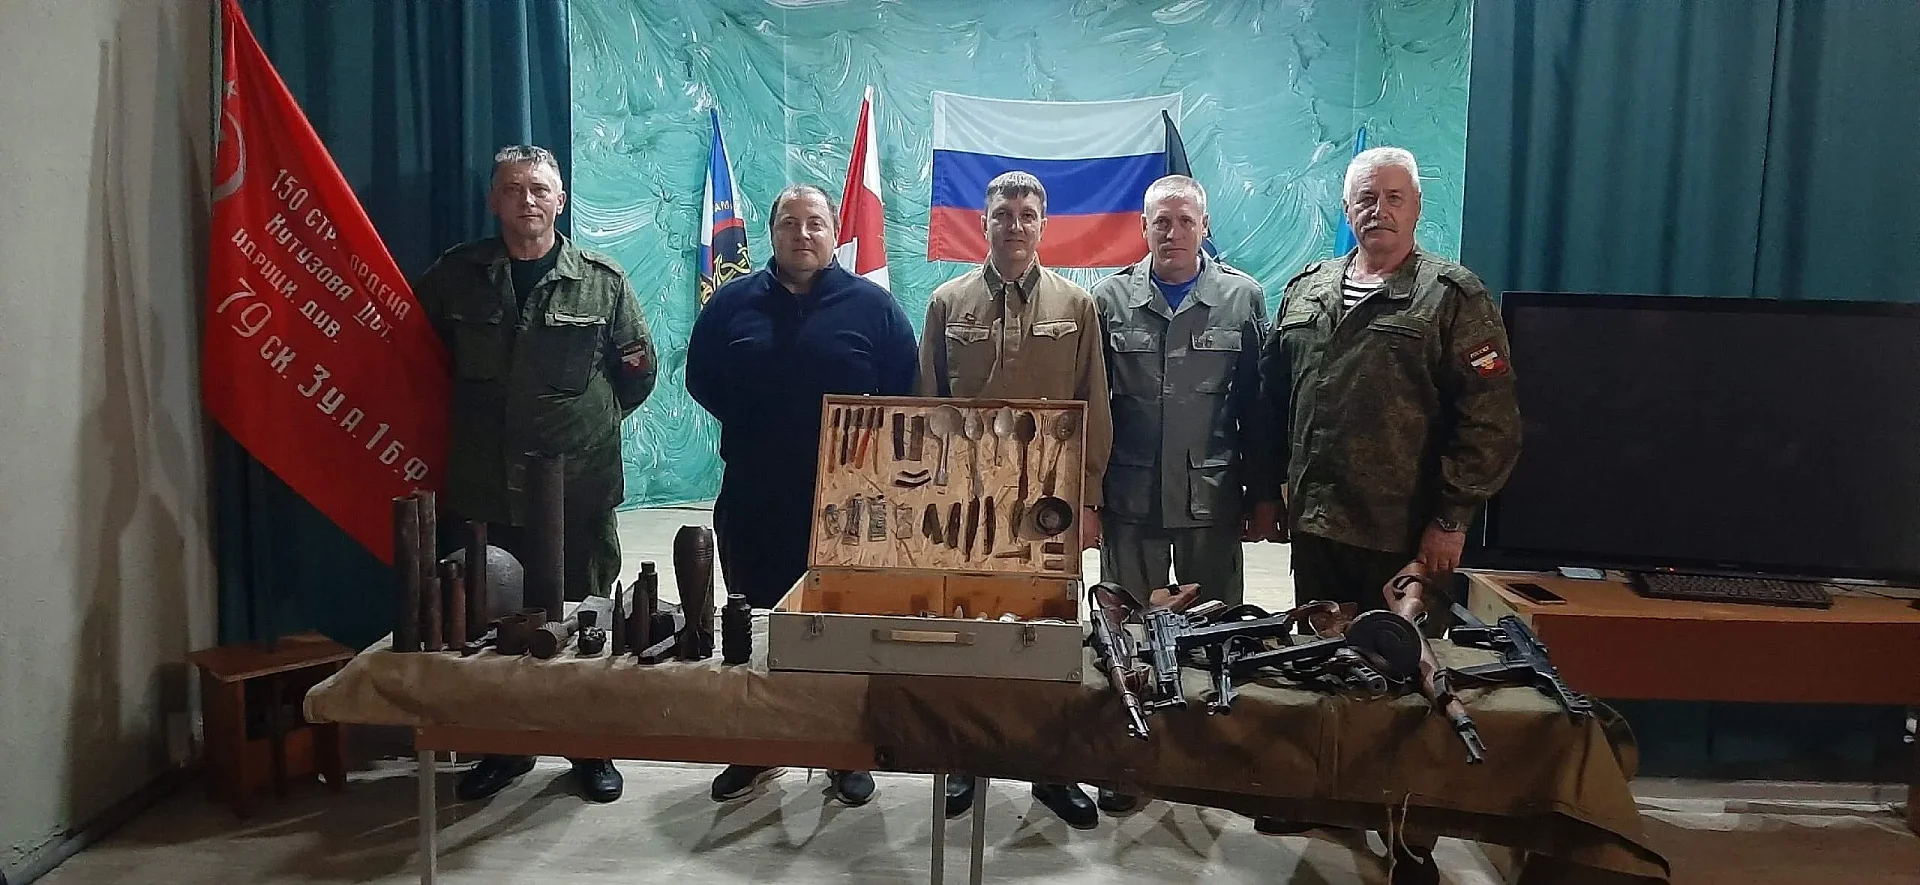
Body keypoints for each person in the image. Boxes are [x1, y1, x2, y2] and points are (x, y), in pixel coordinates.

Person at [1258, 146, 1522, 885]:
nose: (1379, 210)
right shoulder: (1307, 288)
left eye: (1393, 197)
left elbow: (1491, 421)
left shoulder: (1453, 296)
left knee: (1410, 687)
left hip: (1402, 533)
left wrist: (1451, 518)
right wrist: (1270, 492)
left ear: (1416, 207)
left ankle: (1411, 835)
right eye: (1365, 198)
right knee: (1325, 670)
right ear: (1347, 210)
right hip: (1317, 525)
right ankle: (1332, 799)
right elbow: (1274, 401)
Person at [414, 144, 659, 804]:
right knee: (493, 623)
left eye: (540, 189)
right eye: (513, 188)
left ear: (561, 201)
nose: (527, 200)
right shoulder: (456, 276)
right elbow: (413, 354)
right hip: (488, 490)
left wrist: (579, 423)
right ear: (493, 200)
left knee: (585, 616)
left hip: (577, 489)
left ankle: (588, 747)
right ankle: (504, 748)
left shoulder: (602, 283)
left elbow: (637, 373)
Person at [686, 183, 918, 808]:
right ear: (772, 232)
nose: (802, 234)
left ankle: (845, 751)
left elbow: (904, 389)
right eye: (790, 223)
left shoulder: (873, 307)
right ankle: (758, 746)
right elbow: (701, 378)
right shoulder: (731, 303)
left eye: (815, 222)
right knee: (757, 622)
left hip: (848, 503)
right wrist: (757, 423)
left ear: (833, 232)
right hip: (755, 495)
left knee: (840, 628)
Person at [915, 170, 1112, 828]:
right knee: (964, 630)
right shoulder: (947, 302)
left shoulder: (1076, 305)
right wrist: (928, 495)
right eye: (1003, 213)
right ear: (984, 222)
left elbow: (1094, 404)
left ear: (1043, 224)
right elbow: (926, 403)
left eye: (1028, 214)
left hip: (1048, 504)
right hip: (964, 503)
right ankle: (964, 760)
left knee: (1048, 637)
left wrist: (1088, 500)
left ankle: (1051, 770)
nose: (1015, 225)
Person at [1086, 173, 1275, 815]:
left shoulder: (1242, 298)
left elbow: (1258, 408)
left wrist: (1262, 494)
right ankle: (1127, 762)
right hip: (1131, 498)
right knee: (1124, 636)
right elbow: (1093, 408)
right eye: (1160, 222)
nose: (1172, 232)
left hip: (1211, 499)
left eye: (1185, 221)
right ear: (1143, 228)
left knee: (1219, 636)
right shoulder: (1109, 300)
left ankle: (1214, 757)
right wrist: (1089, 497)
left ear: (1204, 226)